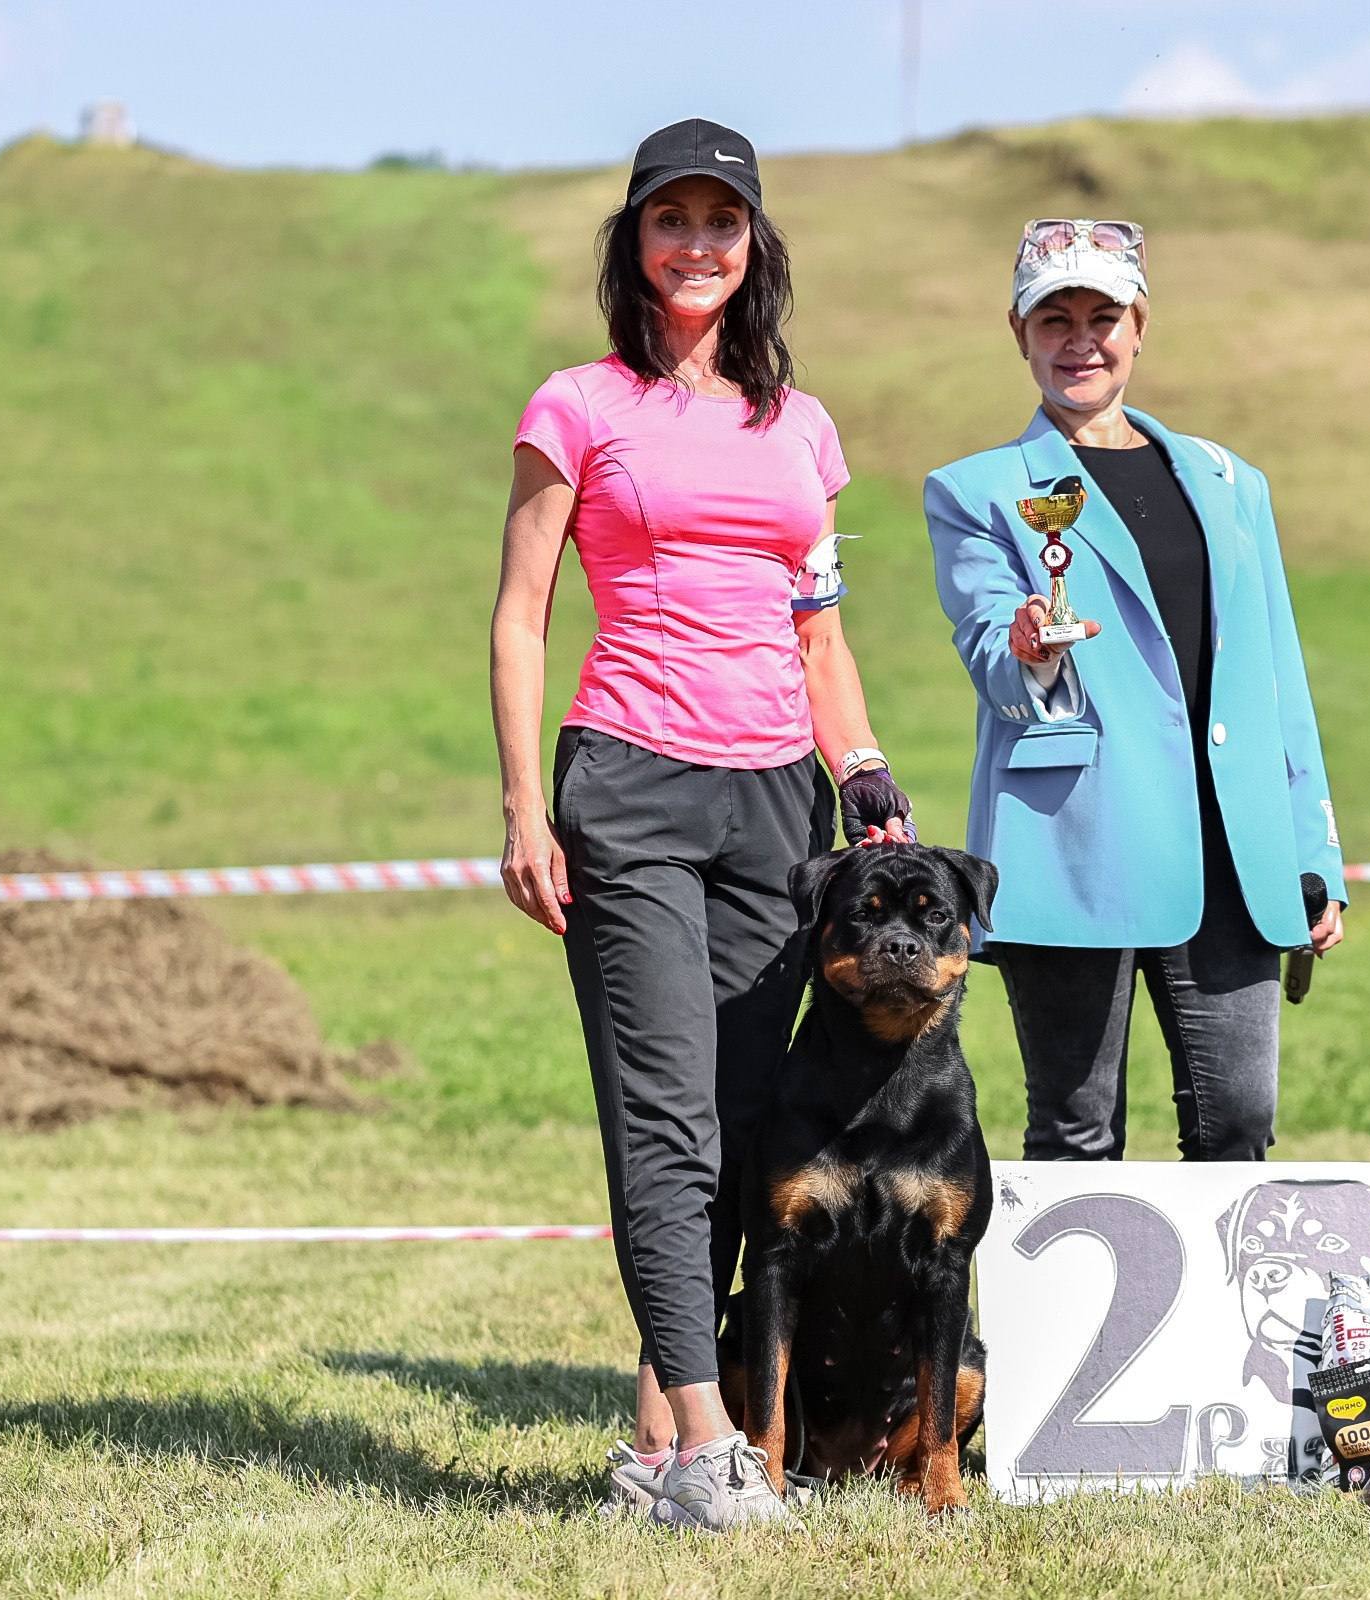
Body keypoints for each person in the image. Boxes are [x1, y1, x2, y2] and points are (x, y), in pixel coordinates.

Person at [488, 118, 912, 1532]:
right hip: (630, 787)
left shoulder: (801, 428)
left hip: (778, 811)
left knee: (738, 1125)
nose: (695, 245)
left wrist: (866, 778)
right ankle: (714, 1447)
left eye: (720, 223)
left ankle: (652, 1442)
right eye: (669, 221)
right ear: (634, 244)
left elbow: (822, 642)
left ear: (754, 247)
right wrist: (518, 807)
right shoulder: (578, 407)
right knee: (660, 1114)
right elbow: (521, 616)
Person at [925, 218, 1346, 1165]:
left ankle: (1230, 1318)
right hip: (1073, 844)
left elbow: (1278, 675)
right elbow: (990, 653)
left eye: (1103, 315)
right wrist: (1028, 645)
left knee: (1238, 1121)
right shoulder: (975, 490)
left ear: (1141, 324)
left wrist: (1314, 847)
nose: (1081, 340)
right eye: (1055, 320)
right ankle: (1069, 1321)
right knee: (1076, 1133)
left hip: (1233, 851)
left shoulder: (1233, 482)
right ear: (1019, 333)